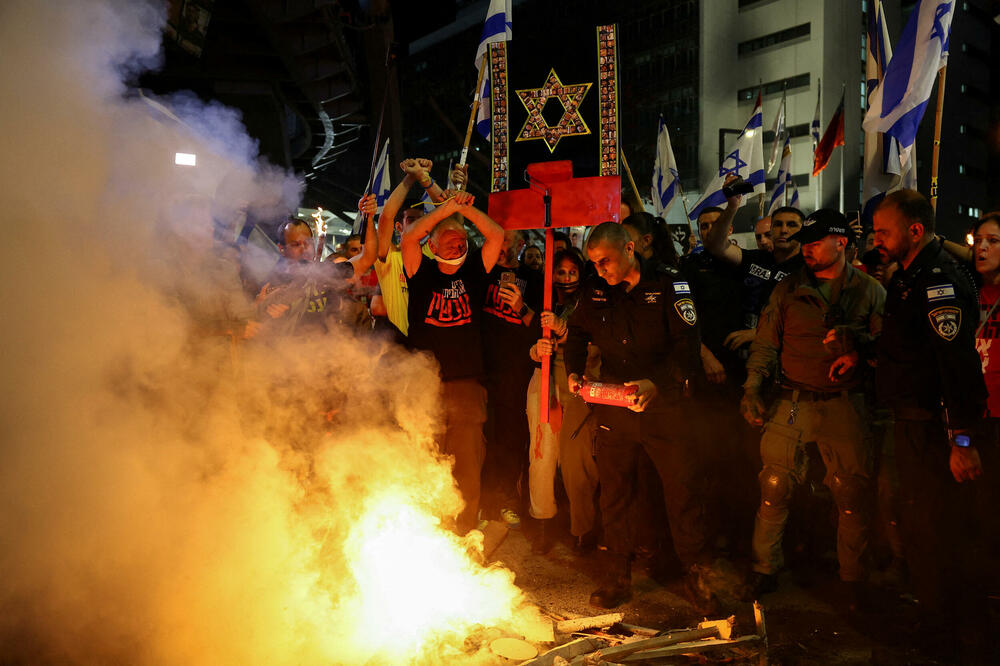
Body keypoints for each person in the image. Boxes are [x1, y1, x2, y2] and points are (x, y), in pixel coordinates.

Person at [564, 222, 713, 611]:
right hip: (616, 406)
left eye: (605, 261)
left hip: (663, 406)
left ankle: (695, 573)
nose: (600, 271)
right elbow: (577, 332)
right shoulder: (595, 290)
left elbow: (688, 345)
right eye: (593, 263)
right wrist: (574, 370)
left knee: (681, 491)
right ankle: (617, 576)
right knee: (615, 493)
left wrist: (658, 383)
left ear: (630, 249)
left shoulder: (668, 284)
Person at [741, 210, 885, 606]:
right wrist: (752, 388)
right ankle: (763, 568)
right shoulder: (787, 290)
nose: (806, 248)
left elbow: (890, 345)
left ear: (841, 242)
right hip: (794, 401)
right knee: (774, 484)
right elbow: (767, 344)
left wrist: (858, 345)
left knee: (851, 492)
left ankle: (852, 579)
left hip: (844, 404)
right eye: (804, 241)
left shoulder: (870, 290)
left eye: (816, 241)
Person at [873, 190, 990, 658]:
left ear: (914, 231)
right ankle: (936, 621)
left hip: (935, 432)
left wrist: (961, 439)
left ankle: (954, 636)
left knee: (942, 533)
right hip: (912, 426)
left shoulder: (939, 282)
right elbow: (909, 354)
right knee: (921, 529)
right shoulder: (910, 276)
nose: (877, 240)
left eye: (884, 231)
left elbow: (956, 367)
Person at [402, 189, 504, 535]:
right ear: (432, 243)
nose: (456, 244)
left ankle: (463, 533)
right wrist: (444, 209)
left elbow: (496, 235)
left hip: (465, 384)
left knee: (467, 466)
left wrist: (465, 211)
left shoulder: (475, 270)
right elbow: (410, 235)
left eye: (461, 238)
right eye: (447, 238)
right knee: (425, 459)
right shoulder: (421, 269)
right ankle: (429, 531)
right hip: (425, 384)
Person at [526, 250, 600, 554]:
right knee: (541, 454)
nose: (566, 278)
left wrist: (563, 329)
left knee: (577, 459)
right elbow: (531, 342)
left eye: (572, 272)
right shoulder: (542, 297)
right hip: (543, 378)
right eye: (560, 272)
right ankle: (543, 521)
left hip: (578, 379)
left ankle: (583, 527)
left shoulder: (592, 299)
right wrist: (537, 348)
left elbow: (596, 341)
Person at [480, 228, 543, 526]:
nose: (501, 246)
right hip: (483, 369)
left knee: (511, 438)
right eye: (496, 239)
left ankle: (507, 498)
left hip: (517, 372)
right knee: (484, 438)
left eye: (506, 240)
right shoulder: (482, 272)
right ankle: (483, 501)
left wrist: (521, 307)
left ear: (521, 245)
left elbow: (540, 330)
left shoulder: (535, 280)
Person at [704, 176, 805, 345]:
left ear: (803, 231)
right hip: (745, 351)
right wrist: (732, 206)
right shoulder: (756, 258)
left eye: (792, 225)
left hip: (785, 354)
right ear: (772, 229)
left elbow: (809, 319)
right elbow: (716, 246)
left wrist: (760, 333)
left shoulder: (808, 267)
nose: (784, 230)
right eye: (778, 224)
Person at [253, 214, 377, 337]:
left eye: (307, 243)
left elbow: (367, 258)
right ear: (282, 249)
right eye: (296, 245)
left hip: (330, 351)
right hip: (290, 352)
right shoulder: (272, 282)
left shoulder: (327, 271)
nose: (304, 249)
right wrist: (266, 314)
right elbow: (253, 327)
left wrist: (369, 217)